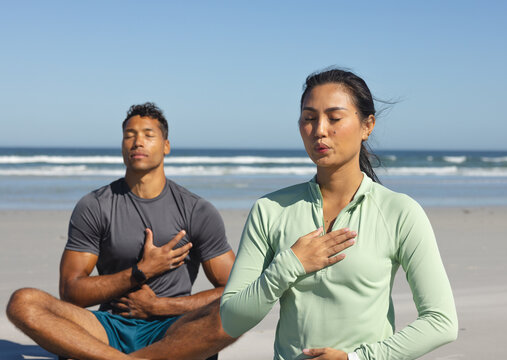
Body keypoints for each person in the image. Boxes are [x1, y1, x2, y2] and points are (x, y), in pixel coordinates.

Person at [220, 69, 458, 359]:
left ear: (367, 125)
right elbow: (232, 319)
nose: (319, 129)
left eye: (334, 118)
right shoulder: (270, 210)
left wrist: (357, 358)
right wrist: (290, 264)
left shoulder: (400, 212)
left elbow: (441, 321)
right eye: (309, 118)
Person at [6, 102, 236, 360]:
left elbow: (235, 290)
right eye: (130, 135)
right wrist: (141, 271)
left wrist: (160, 306)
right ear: (123, 145)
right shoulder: (95, 206)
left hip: (173, 328)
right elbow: (71, 292)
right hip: (108, 328)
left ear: (166, 146)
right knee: (24, 302)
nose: (138, 142)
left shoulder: (196, 210)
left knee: (234, 311)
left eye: (148, 135)